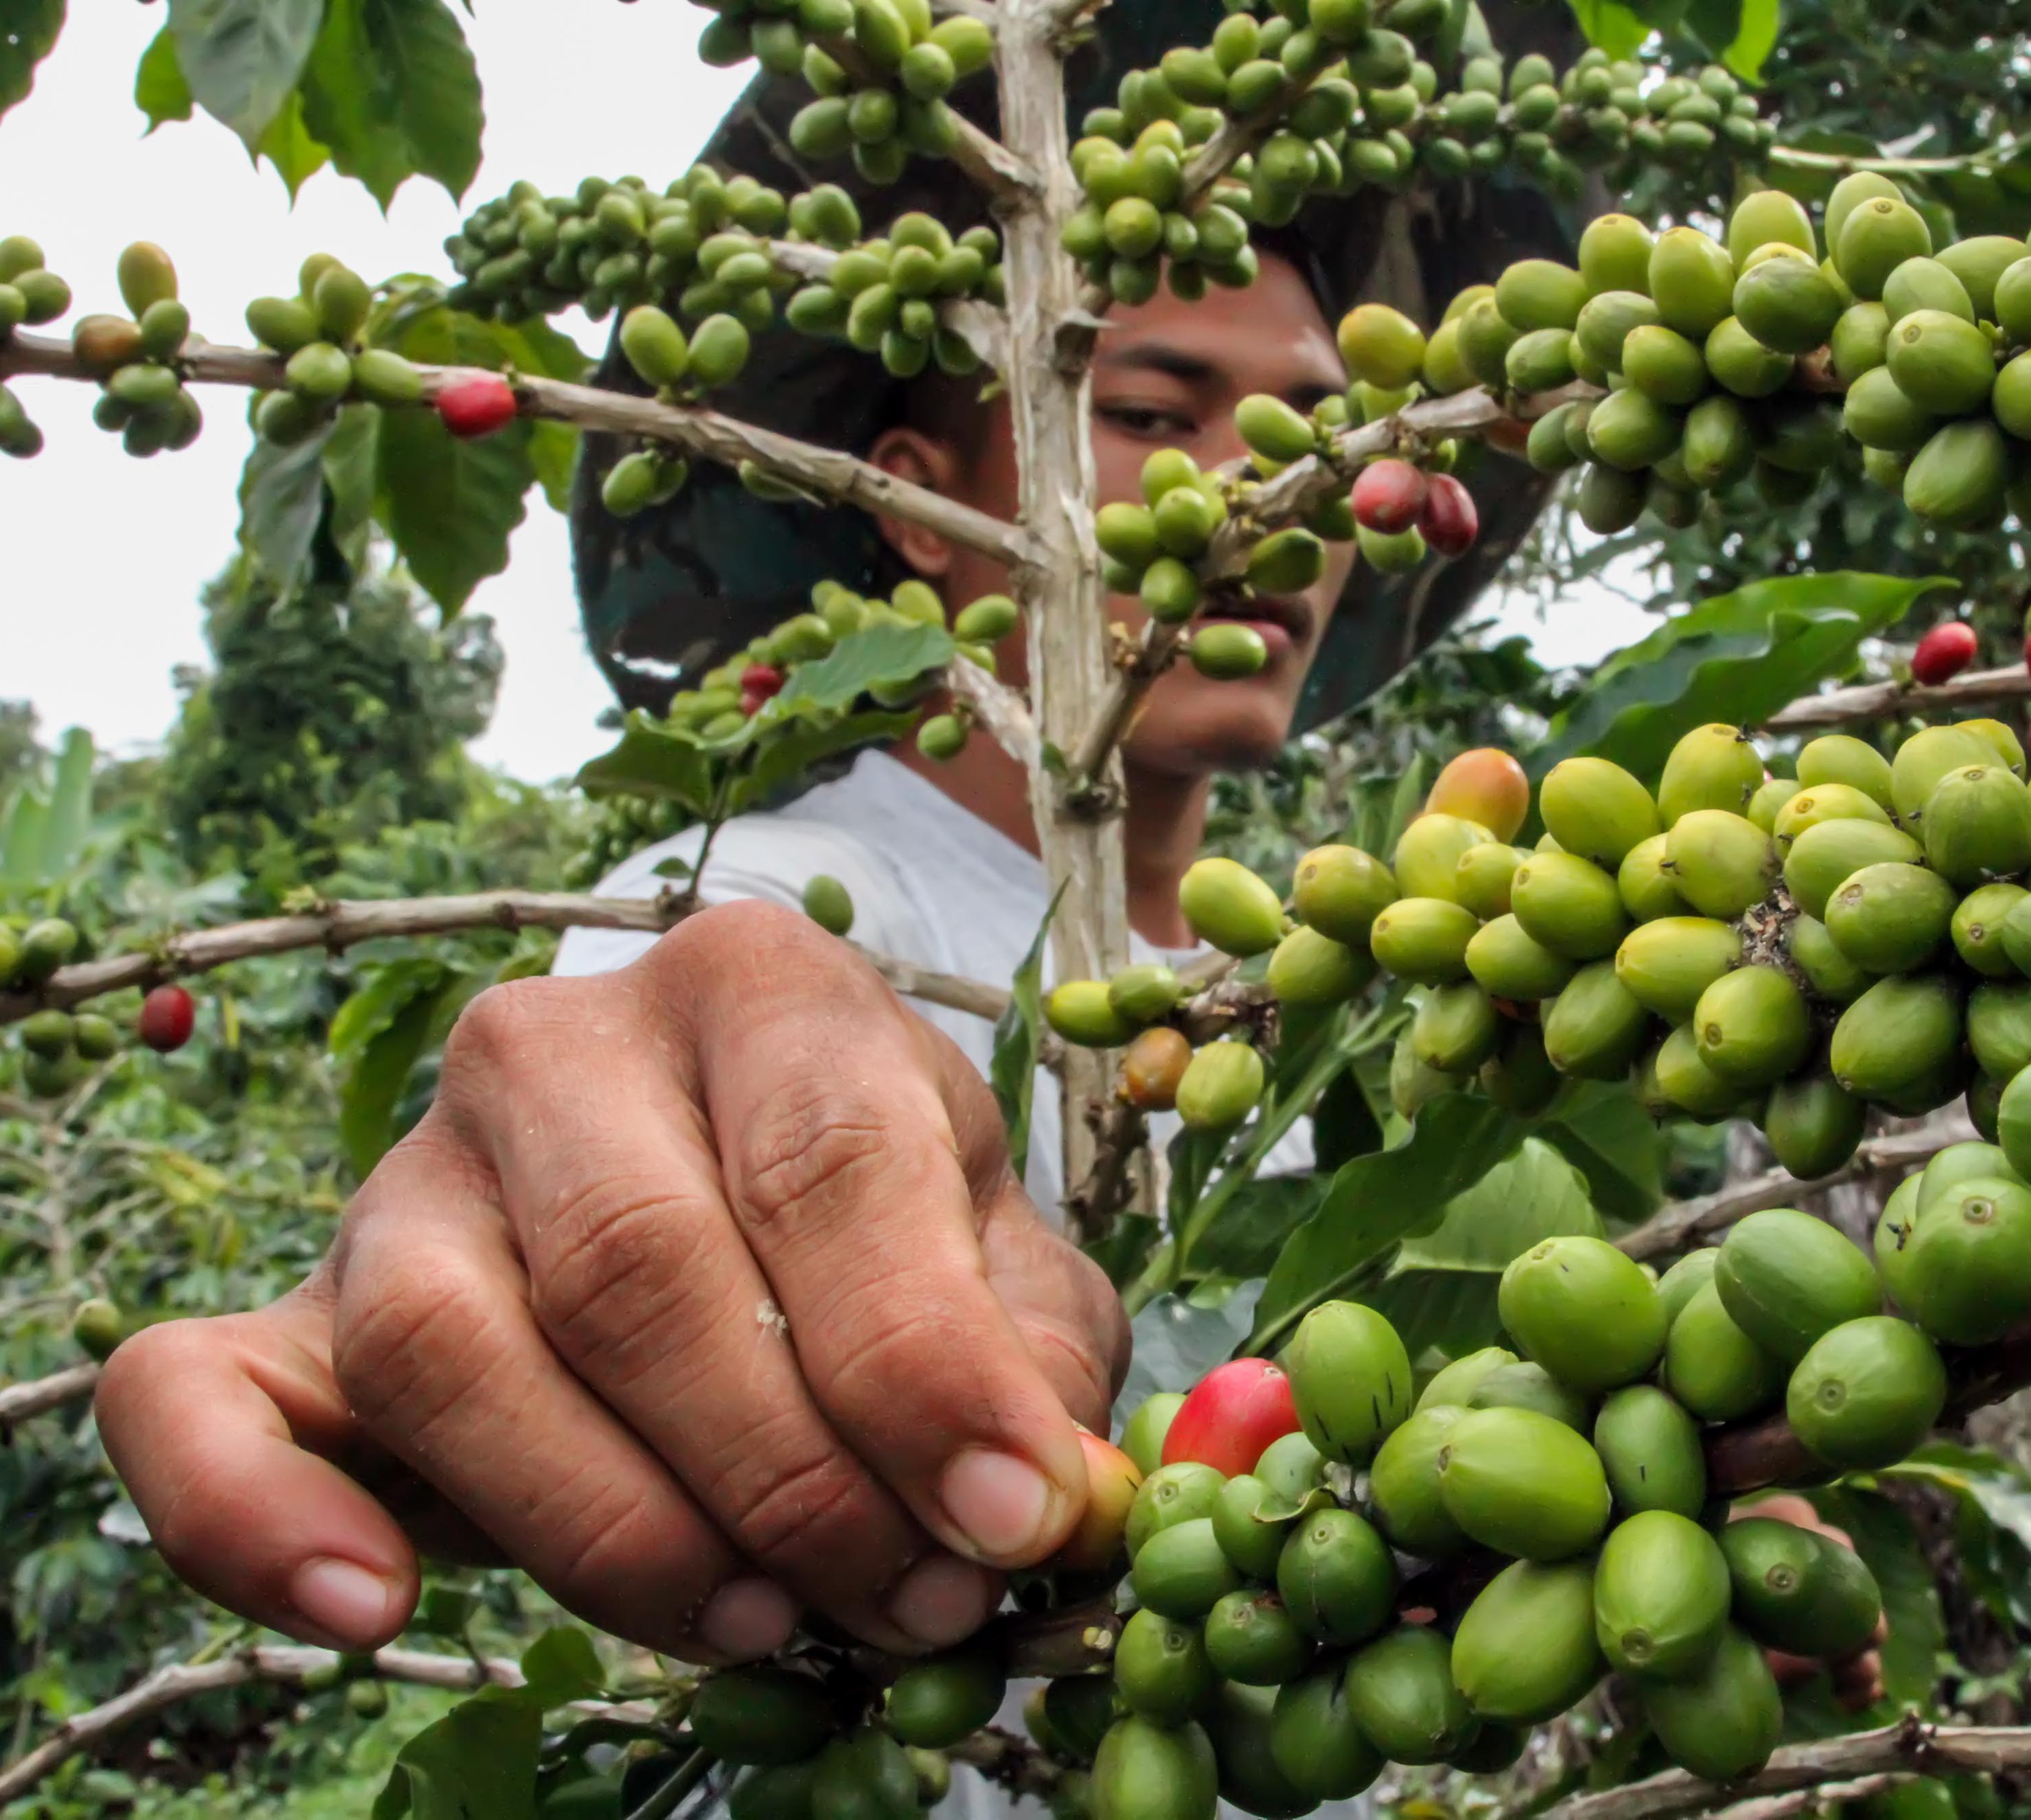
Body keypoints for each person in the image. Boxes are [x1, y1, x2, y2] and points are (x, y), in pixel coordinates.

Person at [93, 37, 1880, 1757]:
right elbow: (663, 1065)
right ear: (922, 510)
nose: (1281, 491)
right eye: (1156, 412)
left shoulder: (1323, 991)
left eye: (1328, 433)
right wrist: (590, 1183)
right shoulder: (768, 896)